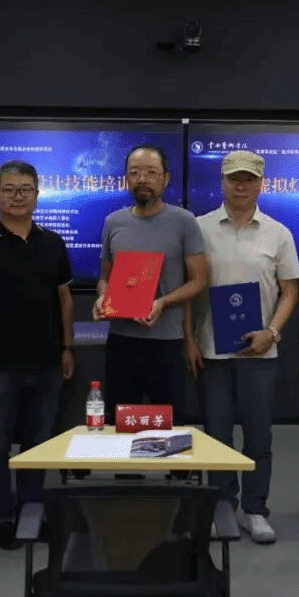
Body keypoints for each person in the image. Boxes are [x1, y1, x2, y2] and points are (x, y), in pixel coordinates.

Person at [0, 160, 74, 550]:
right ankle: (3, 516)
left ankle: (31, 514)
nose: (18, 196)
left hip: (47, 363)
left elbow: (64, 299)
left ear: (38, 195)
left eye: (25, 189)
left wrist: (67, 347)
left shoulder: (52, 243)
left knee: (38, 445)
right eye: (9, 189)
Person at [184, 150, 299, 544]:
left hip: (260, 353)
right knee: (216, 436)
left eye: (248, 179)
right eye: (234, 178)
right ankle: (221, 508)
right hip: (211, 351)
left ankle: (255, 510)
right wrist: (189, 339)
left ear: (260, 184)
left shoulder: (278, 233)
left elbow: (289, 291)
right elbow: (189, 289)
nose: (240, 185)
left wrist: (272, 332)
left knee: (258, 437)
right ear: (222, 182)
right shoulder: (198, 228)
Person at [93, 144, 207, 421]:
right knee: (119, 421)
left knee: (170, 424)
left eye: (151, 172)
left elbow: (199, 280)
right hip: (121, 339)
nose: (142, 179)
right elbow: (105, 278)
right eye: (134, 173)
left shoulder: (184, 221)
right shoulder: (113, 222)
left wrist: (163, 302)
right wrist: (102, 298)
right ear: (126, 179)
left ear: (166, 179)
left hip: (166, 341)